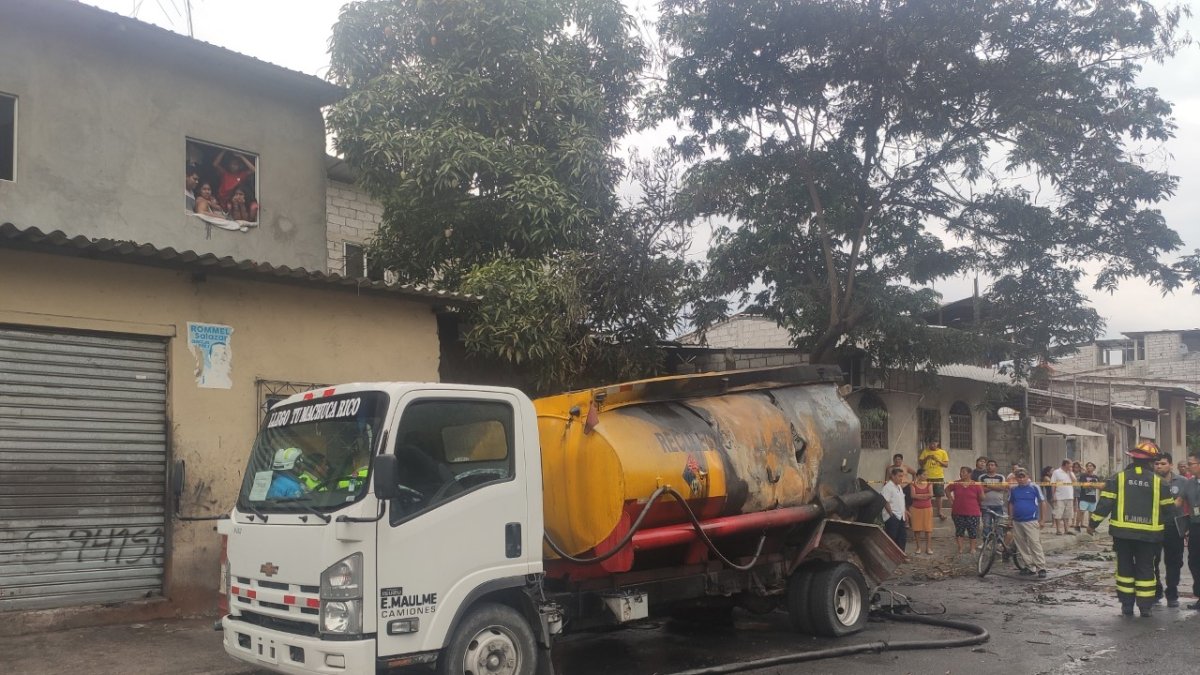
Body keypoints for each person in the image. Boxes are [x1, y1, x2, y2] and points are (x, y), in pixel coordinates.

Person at [1088, 441, 1178, 617]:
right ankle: (1145, 608)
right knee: (1146, 568)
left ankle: (1127, 606)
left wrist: (1093, 524)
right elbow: (1169, 511)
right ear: (1151, 462)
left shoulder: (1117, 478)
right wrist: (1174, 531)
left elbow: (1105, 503)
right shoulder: (1160, 483)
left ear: (1133, 459)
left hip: (1122, 534)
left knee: (1124, 569)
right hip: (1149, 536)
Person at [1153, 452, 1187, 607]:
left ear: (1171, 465)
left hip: (1174, 527)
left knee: (1174, 562)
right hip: (1154, 526)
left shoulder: (1182, 482)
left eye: (1163, 463)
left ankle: (1172, 592)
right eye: (1157, 463)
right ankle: (1156, 590)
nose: (1159, 466)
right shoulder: (1150, 481)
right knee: (1152, 560)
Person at [1009, 468, 1048, 578]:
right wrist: (1010, 518)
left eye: (1023, 477)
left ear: (1027, 476)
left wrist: (1043, 519)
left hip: (1031, 520)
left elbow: (1042, 502)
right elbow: (1011, 503)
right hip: (1017, 521)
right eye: (1019, 477)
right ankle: (1029, 566)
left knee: (1035, 543)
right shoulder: (1013, 489)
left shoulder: (1034, 487)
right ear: (1016, 478)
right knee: (1021, 544)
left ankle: (1041, 567)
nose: (1021, 479)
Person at [1177, 452, 1200, 610]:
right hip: (1195, 526)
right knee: (1194, 561)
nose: (1188, 467)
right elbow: (1177, 502)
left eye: (1191, 463)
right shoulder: (1189, 483)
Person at [947, 466, 984, 554]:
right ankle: (960, 548)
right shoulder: (955, 483)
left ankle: (972, 548)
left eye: (963, 472)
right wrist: (951, 500)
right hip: (958, 511)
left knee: (973, 531)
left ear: (969, 474)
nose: (961, 474)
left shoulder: (976, 484)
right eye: (960, 472)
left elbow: (982, 497)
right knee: (959, 531)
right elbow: (947, 490)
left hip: (973, 512)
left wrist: (977, 502)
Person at [879, 467, 908, 552]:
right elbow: (885, 501)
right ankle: (890, 555)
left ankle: (901, 555)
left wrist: (905, 513)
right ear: (893, 476)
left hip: (900, 516)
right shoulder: (888, 487)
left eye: (902, 476)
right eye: (899, 476)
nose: (901, 478)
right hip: (892, 517)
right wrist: (891, 515)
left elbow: (901, 501)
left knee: (902, 537)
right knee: (892, 537)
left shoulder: (899, 486)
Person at [919, 439, 950, 520]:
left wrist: (938, 460)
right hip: (927, 477)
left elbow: (946, 465)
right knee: (926, 495)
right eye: (931, 443)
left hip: (938, 477)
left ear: (937, 443)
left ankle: (940, 512)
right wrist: (927, 458)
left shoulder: (942, 452)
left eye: (934, 443)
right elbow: (921, 464)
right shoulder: (925, 451)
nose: (932, 445)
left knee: (939, 495)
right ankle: (926, 511)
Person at [979, 459, 1009, 539]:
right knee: (986, 525)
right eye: (988, 465)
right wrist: (995, 487)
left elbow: (1002, 488)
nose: (990, 466)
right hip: (985, 505)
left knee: (999, 526)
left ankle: (999, 543)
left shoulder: (1001, 477)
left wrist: (988, 485)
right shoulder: (982, 477)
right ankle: (986, 542)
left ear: (996, 467)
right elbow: (981, 490)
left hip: (998, 505)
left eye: (992, 465)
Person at [909, 470, 935, 555]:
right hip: (916, 508)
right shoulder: (912, 484)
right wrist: (925, 495)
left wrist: (919, 496)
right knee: (917, 529)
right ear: (918, 476)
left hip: (927, 508)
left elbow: (931, 494)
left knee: (928, 529)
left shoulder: (929, 484)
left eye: (926, 474)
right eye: (924, 474)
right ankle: (918, 547)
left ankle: (928, 548)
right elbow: (913, 496)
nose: (926, 476)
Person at [1050, 460, 1076, 535]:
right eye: (1070, 465)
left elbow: (1075, 482)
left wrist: (1070, 472)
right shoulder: (1056, 472)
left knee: (1067, 514)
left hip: (1069, 496)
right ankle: (1058, 530)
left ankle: (1066, 529)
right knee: (1058, 513)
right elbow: (1053, 484)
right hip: (1059, 496)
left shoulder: (1070, 472)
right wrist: (1053, 495)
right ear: (1065, 464)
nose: (1071, 467)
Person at [1077, 462, 1101, 533]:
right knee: (1081, 512)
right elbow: (1083, 486)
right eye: (1087, 466)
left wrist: (1092, 485)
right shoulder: (1083, 476)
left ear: (1094, 468)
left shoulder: (1096, 477)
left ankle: (1090, 527)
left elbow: (1099, 486)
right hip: (1084, 497)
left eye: (1090, 466)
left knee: (1092, 514)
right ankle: (1077, 526)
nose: (1088, 467)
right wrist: (1093, 484)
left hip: (1092, 498)